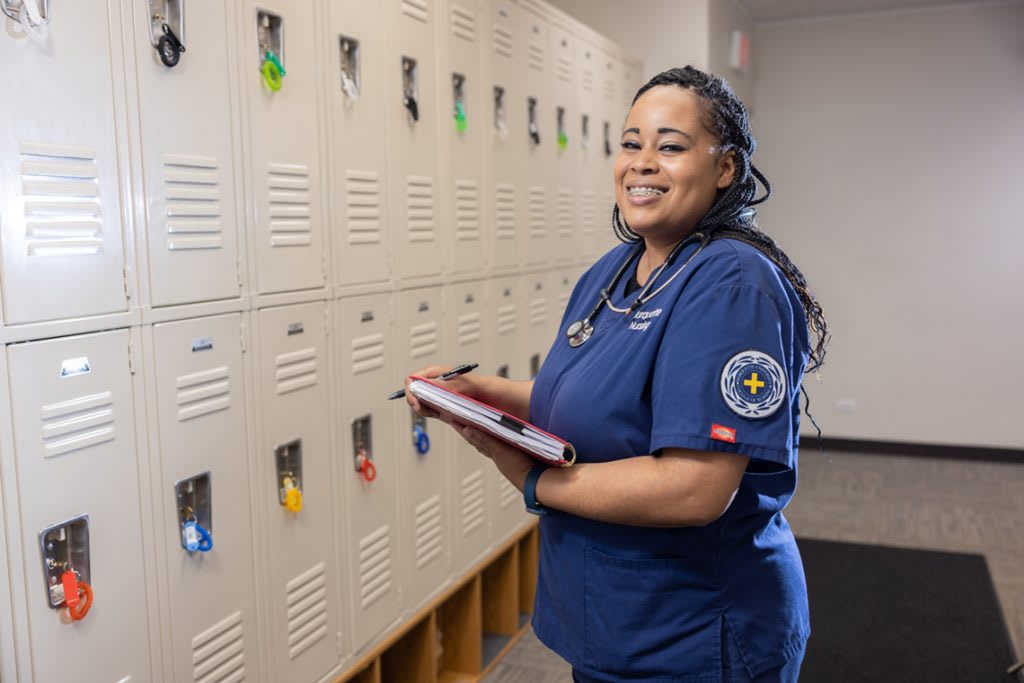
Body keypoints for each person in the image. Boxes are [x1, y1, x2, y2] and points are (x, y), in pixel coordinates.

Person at [406, 65, 828, 682]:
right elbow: (590, 401)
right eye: (631, 143)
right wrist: (474, 394)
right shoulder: (614, 270)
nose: (643, 162)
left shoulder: (732, 283)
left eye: (672, 146)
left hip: (695, 636)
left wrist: (534, 482)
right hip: (611, 625)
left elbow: (694, 487)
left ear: (726, 168)